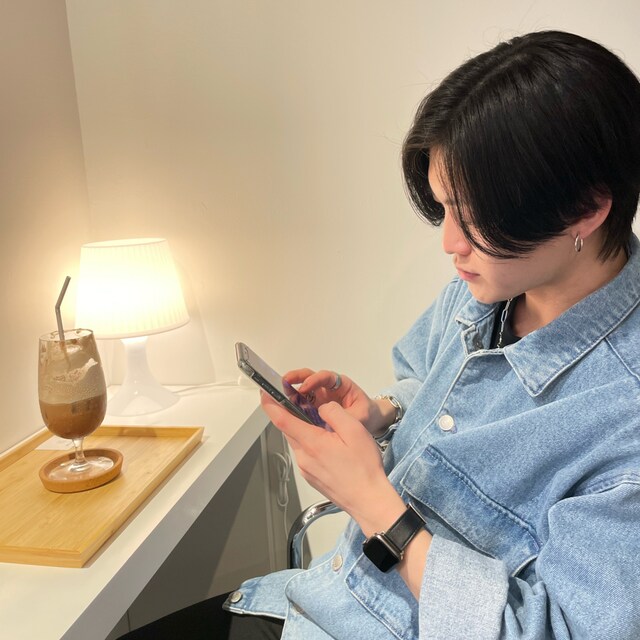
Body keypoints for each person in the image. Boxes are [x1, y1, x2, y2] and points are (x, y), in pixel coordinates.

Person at [120, 29, 640, 639]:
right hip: (319, 598)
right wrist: (381, 411)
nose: (449, 243)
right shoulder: (485, 292)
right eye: (445, 208)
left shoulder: (623, 417)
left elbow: (554, 629)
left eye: (475, 216)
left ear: (585, 209)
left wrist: (374, 505)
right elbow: (427, 382)